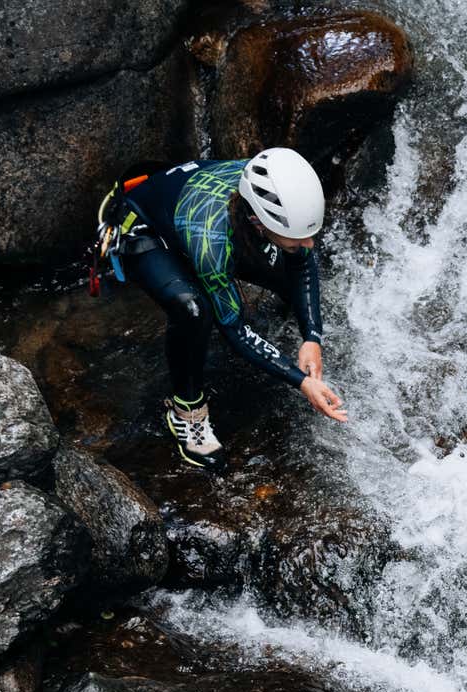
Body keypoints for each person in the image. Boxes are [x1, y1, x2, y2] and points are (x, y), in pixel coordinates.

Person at [96, 148, 350, 470]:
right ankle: (185, 412)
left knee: (287, 264)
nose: (311, 244)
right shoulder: (212, 242)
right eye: (298, 238)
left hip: (186, 205)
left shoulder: (272, 187)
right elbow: (234, 328)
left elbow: (302, 264)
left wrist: (311, 336)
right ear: (258, 222)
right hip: (141, 227)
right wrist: (301, 380)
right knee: (194, 311)